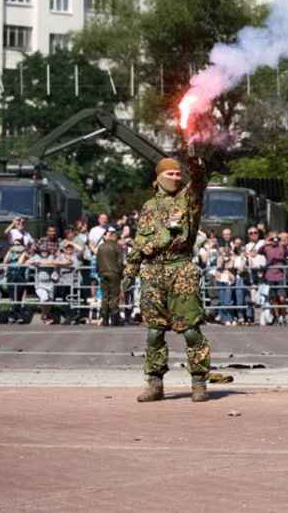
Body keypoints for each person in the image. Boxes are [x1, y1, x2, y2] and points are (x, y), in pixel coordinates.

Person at [122, 152, 212, 403]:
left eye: (178, 174)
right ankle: (155, 383)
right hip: (152, 272)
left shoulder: (188, 199)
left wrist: (195, 163)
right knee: (154, 332)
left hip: (180, 269)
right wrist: (130, 271)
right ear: (158, 177)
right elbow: (140, 242)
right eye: (170, 173)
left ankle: (198, 381)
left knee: (191, 330)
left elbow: (199, 181)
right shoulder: (149, 207)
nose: (175, 177)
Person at [96, 226, 124, 326]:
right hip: (114, 273)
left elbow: (97, 262)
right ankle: (115, 319)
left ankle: (105, 319)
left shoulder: (101, 246)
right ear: (114, 236)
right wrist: (121, 273)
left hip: (102, 273)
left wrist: (99, 272)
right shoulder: (117, 247)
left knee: (104, 296)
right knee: (114, 296)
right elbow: (120, 262)